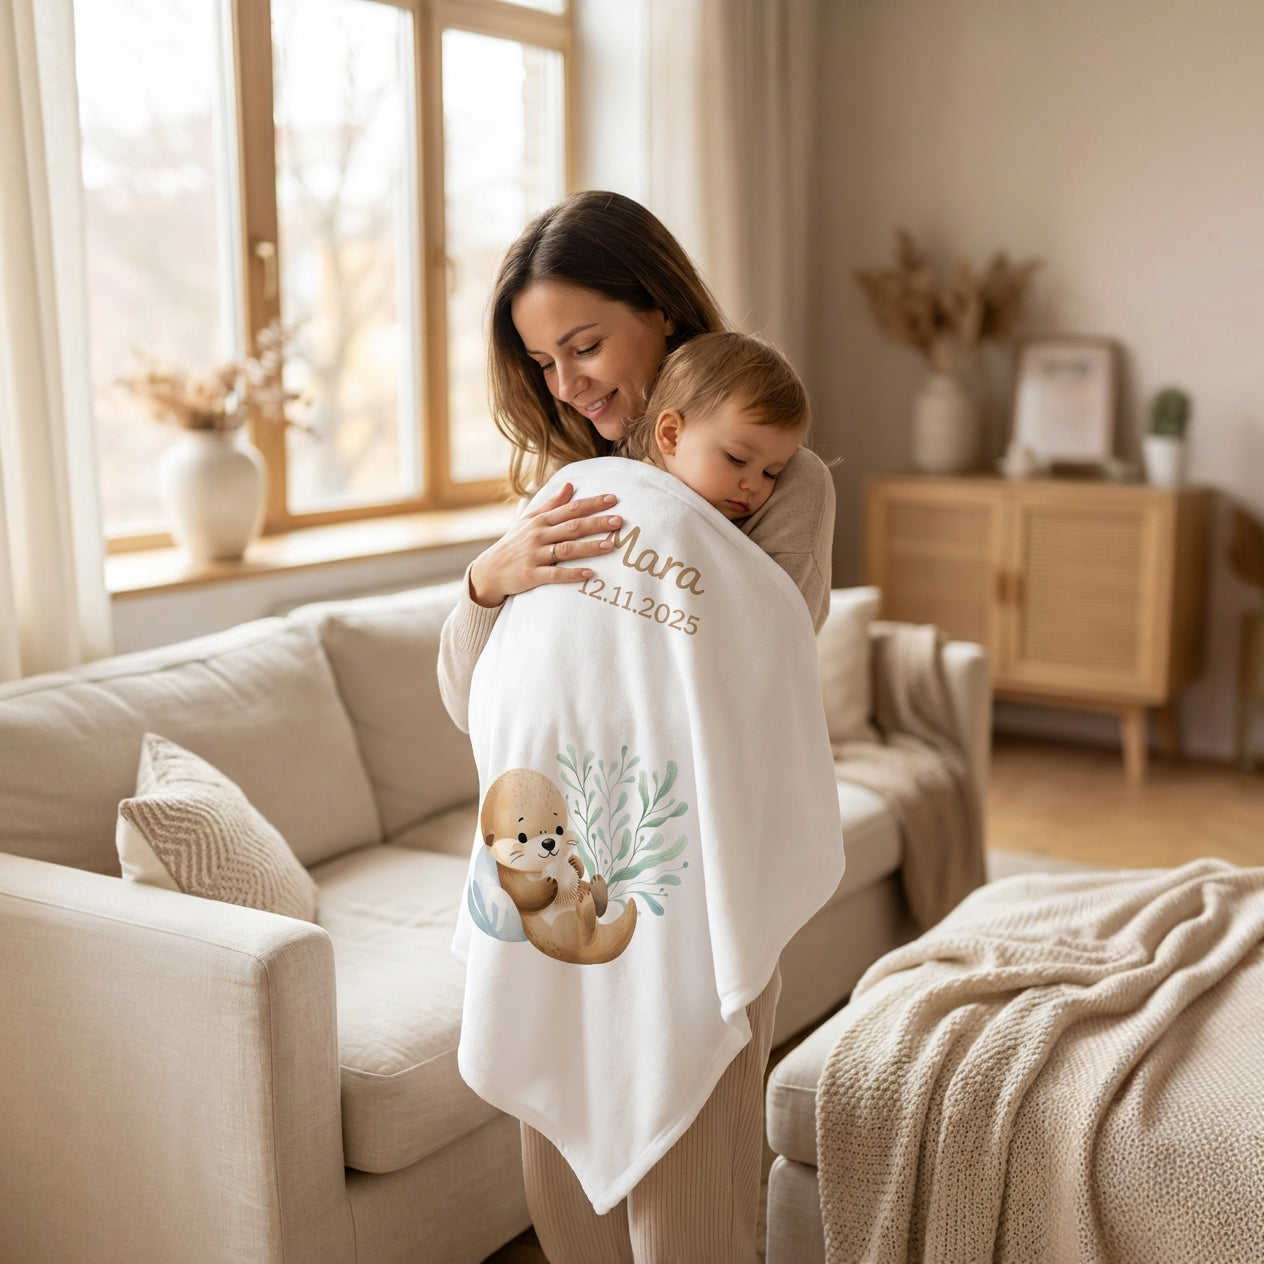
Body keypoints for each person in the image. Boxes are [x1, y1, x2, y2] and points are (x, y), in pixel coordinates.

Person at [440, 190, 834, 1263]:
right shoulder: (566, 489)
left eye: (583, 345)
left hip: (692, 888)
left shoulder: (779, 481)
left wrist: (681, 514)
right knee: (568, 1200)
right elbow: (472, 698)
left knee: (689, 1213)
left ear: (660, 311)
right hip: (562, 892)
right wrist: (488, 580)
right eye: (543, 364)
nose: (568, 384)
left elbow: (760, 664)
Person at [615, 329, 810, 525]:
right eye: (737, 458)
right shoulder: (615, 495)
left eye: (770, 474)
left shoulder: (743, 534)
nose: (754, 485)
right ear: (671, 434)